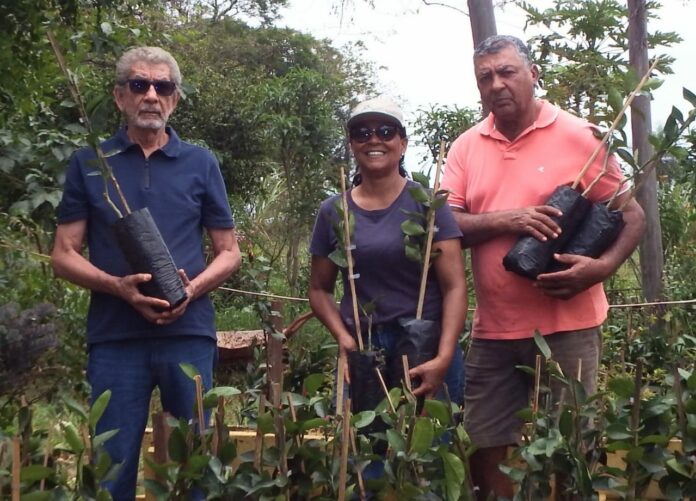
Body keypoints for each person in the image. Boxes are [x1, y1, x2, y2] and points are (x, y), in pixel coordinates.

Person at [440, 35, 646, 499]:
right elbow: (444, 225)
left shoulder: (579, 136)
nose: (497, 84)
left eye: (507, 72)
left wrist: (600, 268)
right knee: (484, 443)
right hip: (494, 330)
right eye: (485, 77)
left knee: (572, 448)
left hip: (568, 327)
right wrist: (509, 219)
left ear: (533, 75)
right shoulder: (466, 147)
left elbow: (632, 217)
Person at [51, 46, 241, 500]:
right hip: (115, 336)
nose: (151, 95)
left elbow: (229, 252)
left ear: (175, 98)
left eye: (163, 86)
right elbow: (63, 253)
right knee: (111, 466)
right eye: (140, 85)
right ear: (120, 96)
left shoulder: (201, 163)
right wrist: (117, 287)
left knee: (196, 462)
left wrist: (192, 289)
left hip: (188, 333)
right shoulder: (90, 163)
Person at [308, 96, 468, 409]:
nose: (374, 140)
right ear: (352, 145)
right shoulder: (334, 211)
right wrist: (344, 339)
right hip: (364, 347)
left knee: (427, 436)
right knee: (363, 438)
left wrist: (445, 356)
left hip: (425, 342)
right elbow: (318, 289)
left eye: (385, 131)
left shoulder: (429, 205)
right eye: (362, 134)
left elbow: (454, 286)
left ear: (403, 143)